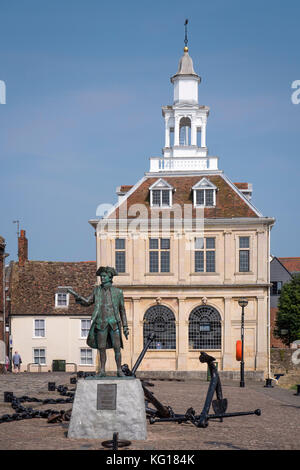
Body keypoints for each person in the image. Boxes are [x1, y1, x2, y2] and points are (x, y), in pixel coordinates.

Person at [68, 266, 129, 377]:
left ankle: (119, 370)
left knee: (117, 347)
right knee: (101, 348)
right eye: (101, 276)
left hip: (114, 323)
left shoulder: (118, 292)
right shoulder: (97, 290)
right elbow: (87, 302)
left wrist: (125, 326)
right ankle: (102, 370)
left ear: (110, 277)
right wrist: (76, 296)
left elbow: (122, 310)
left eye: (104, 276)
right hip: (101, 323)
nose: (102, 278)